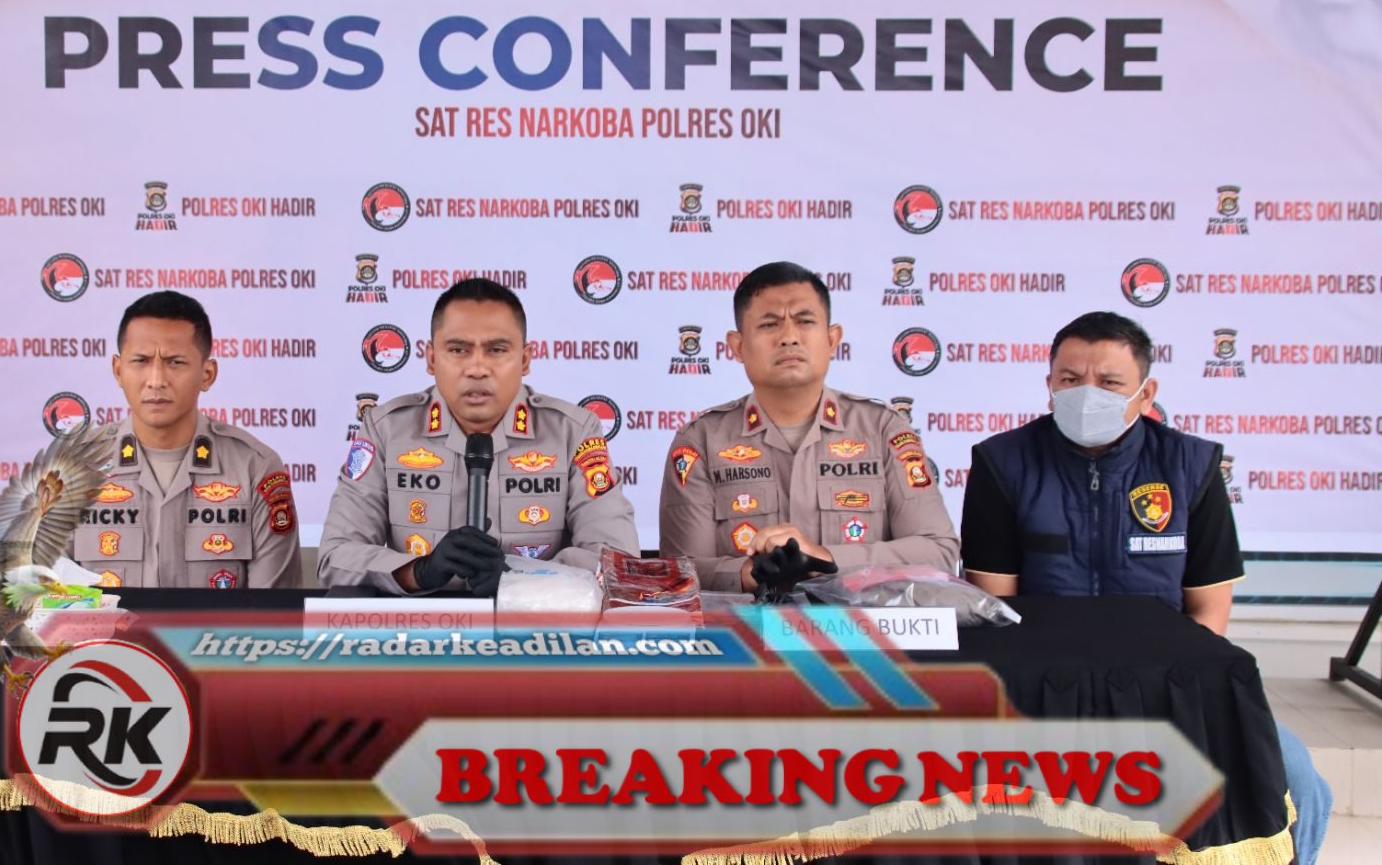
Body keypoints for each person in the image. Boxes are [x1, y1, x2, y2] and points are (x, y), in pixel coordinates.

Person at [960, 310, 1330, 862]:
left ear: (1146, 392)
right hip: (1043, 686)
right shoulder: (1002, 463)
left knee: (1299, 779)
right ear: (1049, 385)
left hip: (1168, 686)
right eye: (1070, 380)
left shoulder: (1192, 466)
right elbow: (995, 608)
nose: (1087, 394)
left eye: (1109, 382)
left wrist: (1179, 692)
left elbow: (1209, 612)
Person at [319, 278, 639, 594]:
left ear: (524, 359)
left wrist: (522, 580)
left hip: (531, 622)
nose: (477, 369)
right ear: (431, 359)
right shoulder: (387, 429)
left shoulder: (572, 432)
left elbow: (617, 562)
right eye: (458, 350)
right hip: (422, 624)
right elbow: (335, 557)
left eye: (496, 350)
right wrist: (418, 571)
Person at [659, 261, 959, 593]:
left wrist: (823, 558)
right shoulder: (701, 441)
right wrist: (750, 573)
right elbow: (679, 572)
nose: (789, 337)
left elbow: (939, 554)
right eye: (770, 324)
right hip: (746, 626)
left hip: (861, 625)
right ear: (738, 346)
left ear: (832, 340)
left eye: (804, 321)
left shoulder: (883, 430)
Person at [66, 290, 302, 589]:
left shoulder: (255, 467)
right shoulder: (74, 468)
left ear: (207, 374)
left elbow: (274, 609)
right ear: (118, 370)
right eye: (140, 360)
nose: (156, 380)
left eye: (175, 362)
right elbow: (43, 596)